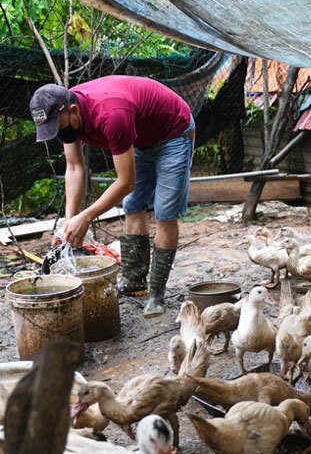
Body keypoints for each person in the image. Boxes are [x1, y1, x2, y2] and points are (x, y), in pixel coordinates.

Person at [29, 75, 195, 317]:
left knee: (164, 212)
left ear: (73, 110)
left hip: (172, 132)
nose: (58, 133)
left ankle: (157, 295)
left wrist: (85, 218)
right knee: (133, 206)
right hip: (140, 136)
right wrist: (69, 222)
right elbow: (75, 167)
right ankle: (134, 282)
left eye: (58, 127)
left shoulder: (111, 114)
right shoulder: (67, 115)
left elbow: (125, 182)